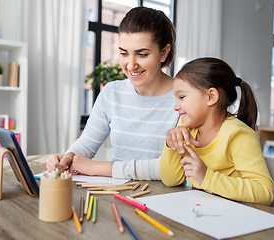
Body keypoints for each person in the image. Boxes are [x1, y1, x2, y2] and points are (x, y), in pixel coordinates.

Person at [46, 6, 178, 180]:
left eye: (142, 54)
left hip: (162, 198)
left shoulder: (184, 99)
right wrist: (68, 158)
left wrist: (98, 168)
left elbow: (172, 168)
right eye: (124, 53)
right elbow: (86, 145)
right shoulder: (112, 92)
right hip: (114, 192)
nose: (131, 65)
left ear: (163, 53)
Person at [159, 57, 274, 205]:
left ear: (211, 97)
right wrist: (171, 145)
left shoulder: (238, 135)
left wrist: (206, 177)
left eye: (182, 97)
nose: (175, 107)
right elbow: (171, 180)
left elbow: (265, 192)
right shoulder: (187, 130)